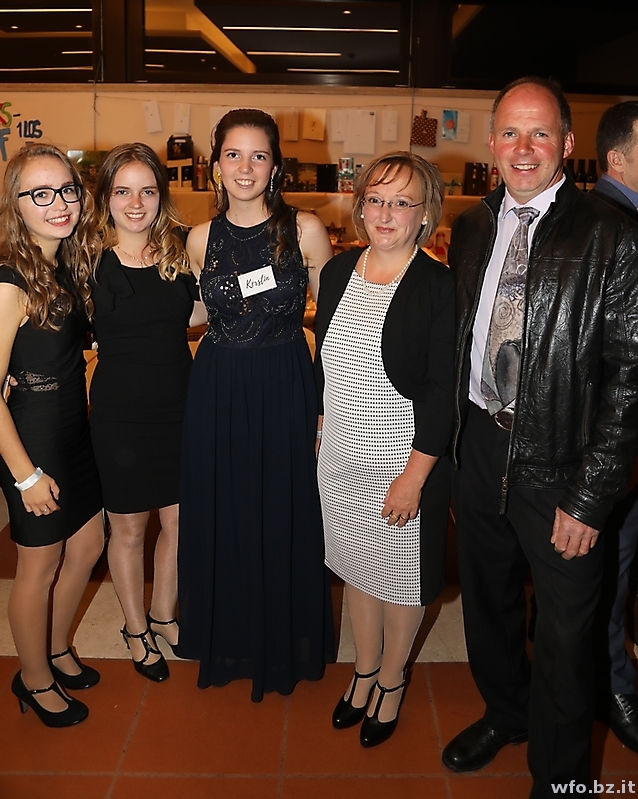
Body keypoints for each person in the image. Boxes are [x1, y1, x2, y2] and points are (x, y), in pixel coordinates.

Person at [443, 77, 638, 796]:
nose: (523, 148)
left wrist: (589, 498)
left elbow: (632, 379)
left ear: (568, 143)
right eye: (510, 133)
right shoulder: (472, 227)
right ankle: (505, 712)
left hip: (563, 462)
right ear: (491, 143)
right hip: (480, 445)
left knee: (563, 638)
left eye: (539, 133)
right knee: (488, 603)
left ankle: (561, 782)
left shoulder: (613, 235)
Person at [177, 108, 335, 701]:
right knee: (225, 508)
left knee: (282, 507)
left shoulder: (304, 230)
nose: (245, 168)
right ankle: (230, 636)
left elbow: (336, 321)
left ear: (276, 166)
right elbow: (195, 314)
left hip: (284, 381)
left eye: (259, 155)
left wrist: (327, 402)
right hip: (217, 385)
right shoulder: (199, 238)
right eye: (233, 155)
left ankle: (280, 640)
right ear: (215, 164)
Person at [314, 152, 454, 747]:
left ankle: (392, 680)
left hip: (402, 459)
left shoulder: (438, 285)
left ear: (425, 214)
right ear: (360, 206)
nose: (386, 214)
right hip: (340, 455)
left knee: (400, 580)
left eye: (402, 203)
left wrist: (415, 478)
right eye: (376, 199)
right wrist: (320, 425)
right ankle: (364, 669)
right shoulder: (337, 272)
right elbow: (325, 359)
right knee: (356, 569)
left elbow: (442, 393)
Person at [90, 143, 204, 682]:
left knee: (179, 523)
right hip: (120, 415)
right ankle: (135, 628)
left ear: (162, 196)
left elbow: (204, 311)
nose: (136, 203)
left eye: (147, 191)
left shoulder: (182, 254)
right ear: (106, 198)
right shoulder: (86, 261)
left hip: (180, 406)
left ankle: (164, 615)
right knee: (130, 529)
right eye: (123, 191)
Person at [0, 143, 104, 726]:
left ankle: (57, 647)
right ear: (15, 205)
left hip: (72, 428)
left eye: (66, 190)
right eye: (39, 193)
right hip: (32, 439)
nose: (58, 203)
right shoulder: (9, 280)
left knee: (88, 545)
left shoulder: (61, 262)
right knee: (37, 568)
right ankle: (33, 678)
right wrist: (26, 476)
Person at [588, 101, 638, 751]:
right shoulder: (611, 226)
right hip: (613, 439)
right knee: (610, 569)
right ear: (618, 158)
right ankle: (611, 683)